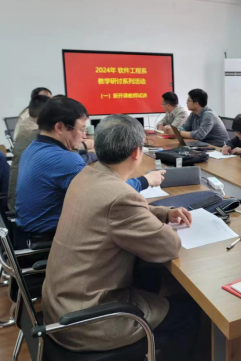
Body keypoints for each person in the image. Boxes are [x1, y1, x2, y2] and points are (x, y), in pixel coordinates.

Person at [43, 114, 200, 360]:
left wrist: (164, 213)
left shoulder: (87, 174)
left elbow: (111, 214)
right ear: (137, 152)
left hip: (61, 305)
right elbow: (169, 248)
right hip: (88, 320)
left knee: (149, 273)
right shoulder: (120, 196)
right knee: (190, 312)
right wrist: (162, 225)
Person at [15, 97, 164, 239]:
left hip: (28, 228)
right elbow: (109, 195)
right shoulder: (64, 159)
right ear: (59, 127)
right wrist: (145, 180)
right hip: (50, 234)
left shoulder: (33, 148)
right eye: (81, 129)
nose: (83, 136)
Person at [164, 89, 230, 146]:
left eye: (188, 101)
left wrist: (178, 132)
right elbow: (185, 127)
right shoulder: (193, 114)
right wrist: (175, 130)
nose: (186, 103)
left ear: (196, 104)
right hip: (203, 145)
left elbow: (199, 135)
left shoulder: (208, 115)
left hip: (218, 148)